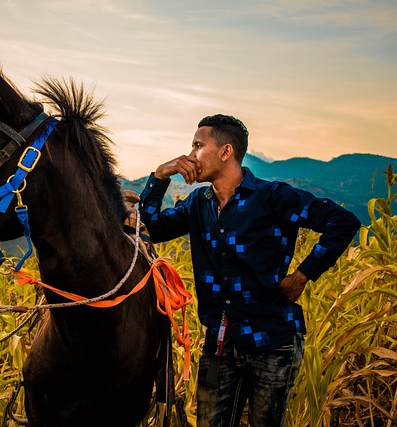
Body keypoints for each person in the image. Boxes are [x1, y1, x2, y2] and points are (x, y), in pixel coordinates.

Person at [139, 114, 360, 427]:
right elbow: (149, 230)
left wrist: (302, 276)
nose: (190, 156)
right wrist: (161, 175)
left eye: (198, 146)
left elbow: (343, 221)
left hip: (271, 342)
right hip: (218, 344)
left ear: (226, 152)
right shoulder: (198, 204)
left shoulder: (272, 197)